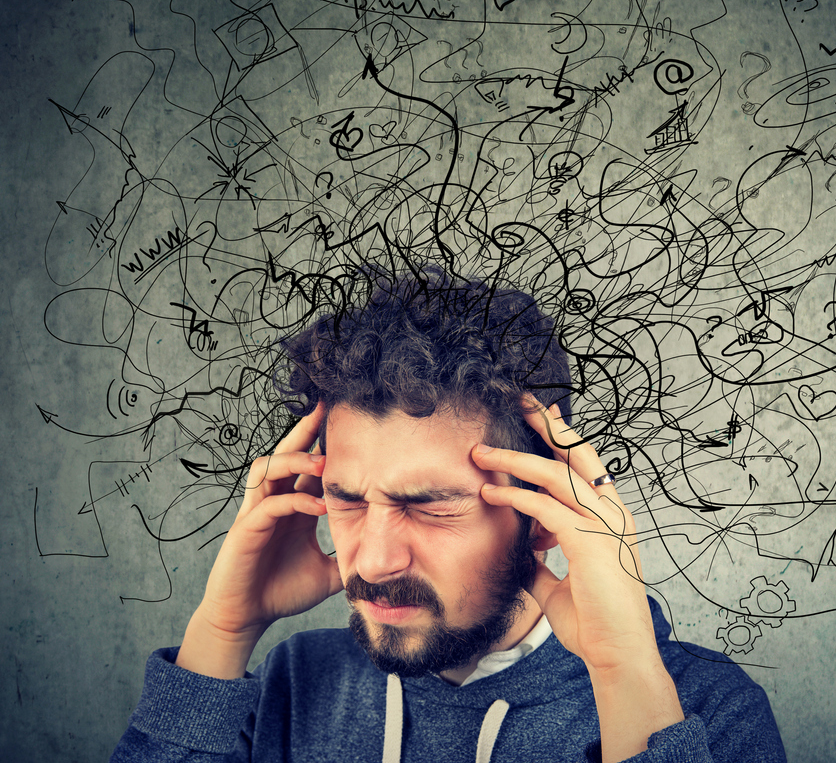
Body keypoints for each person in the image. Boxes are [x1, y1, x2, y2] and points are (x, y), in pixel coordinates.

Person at [111, 266, 786, 763]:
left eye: (429, 504)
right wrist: (221, 633)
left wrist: (623, 672)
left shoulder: (704, 713)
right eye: (347, 499)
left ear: (547, 515)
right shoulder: (290, 684)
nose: (371, 561)